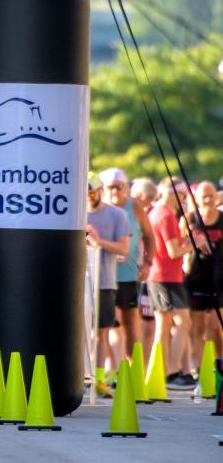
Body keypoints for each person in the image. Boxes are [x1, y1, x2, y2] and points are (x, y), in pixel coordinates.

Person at [100, 168, 155, 360]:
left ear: (126, 188)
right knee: (106, 324)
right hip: (103, 275)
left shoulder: (135, 207)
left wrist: (148, 262)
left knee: (130, 321)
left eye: (118, 187)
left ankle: (133, 368)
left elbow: (149, 236)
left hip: (128, 274)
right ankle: (110, 369)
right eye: (110, 187)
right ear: (103, 189)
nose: (114, 192)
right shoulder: (99, 208)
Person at [85, 171, 132, 397]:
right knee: (80, 331)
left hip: (104, 281)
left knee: (102, 332)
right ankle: (81, 375)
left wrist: (98, 241)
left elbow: (123, 248)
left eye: (92, 192)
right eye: (85, 193)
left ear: (100, 191)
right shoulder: (76, 212)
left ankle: (99, 378)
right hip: (80, 280)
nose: (89, 197)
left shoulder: (116, 215)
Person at [147, 177, 195, 390]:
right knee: (182, 321)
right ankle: (172, 371)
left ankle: (161, 371)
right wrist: (194, 244)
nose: (183, 200)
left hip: (160, 274)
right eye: (182, 195)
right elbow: (173, 251)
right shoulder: (165, 215)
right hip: (166, 275)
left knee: (164, 324)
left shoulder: (156, 212)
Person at [184, 181, 223, 391]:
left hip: (219, 279)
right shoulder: (190, 218)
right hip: (196, 277)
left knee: (216, 327)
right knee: (196, 328)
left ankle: (219, 364)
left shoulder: (222, 218)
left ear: (216, 197)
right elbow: (181, 243)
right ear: (196, 198)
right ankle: (197, 370)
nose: (207, 200)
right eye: (203, 196)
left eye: (210, 195)